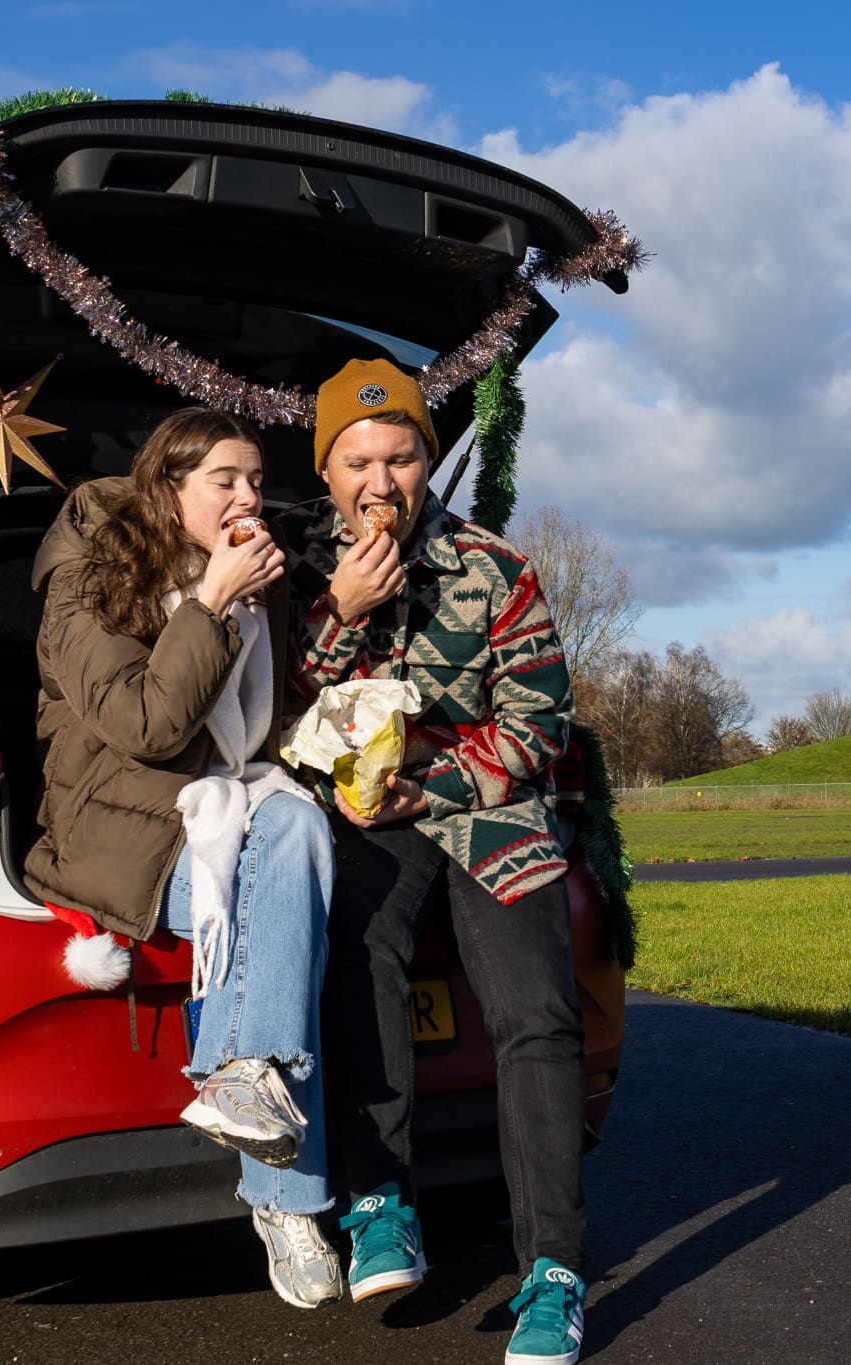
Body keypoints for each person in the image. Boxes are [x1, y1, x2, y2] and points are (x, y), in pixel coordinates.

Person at [284, 358, 591, 1365]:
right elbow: (274, 714)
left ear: (429, 462)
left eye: (402, 455)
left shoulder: (495, 569)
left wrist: (444, 789)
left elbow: (540, 719)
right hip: (366, 813)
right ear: (327, 473)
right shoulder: (291, 566)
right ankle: (379, 1202)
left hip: (486, 808)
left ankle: (552, 1272)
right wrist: (341, 612)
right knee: (356, 941)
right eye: (357, 460)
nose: (380, 480)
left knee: (535, 1015)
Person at [22, 407, 344, 1310]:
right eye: (225, 482)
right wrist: (209, 603)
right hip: (117, 828)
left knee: (299, 828)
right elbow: (149, 725)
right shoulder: (87, 582)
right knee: (274, 879)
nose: (249, 498)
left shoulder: (255, 579)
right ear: (169, 490)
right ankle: (285, 1201)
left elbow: (263, 732)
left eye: (255, 482)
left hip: (226, 806)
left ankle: (243, 1081)